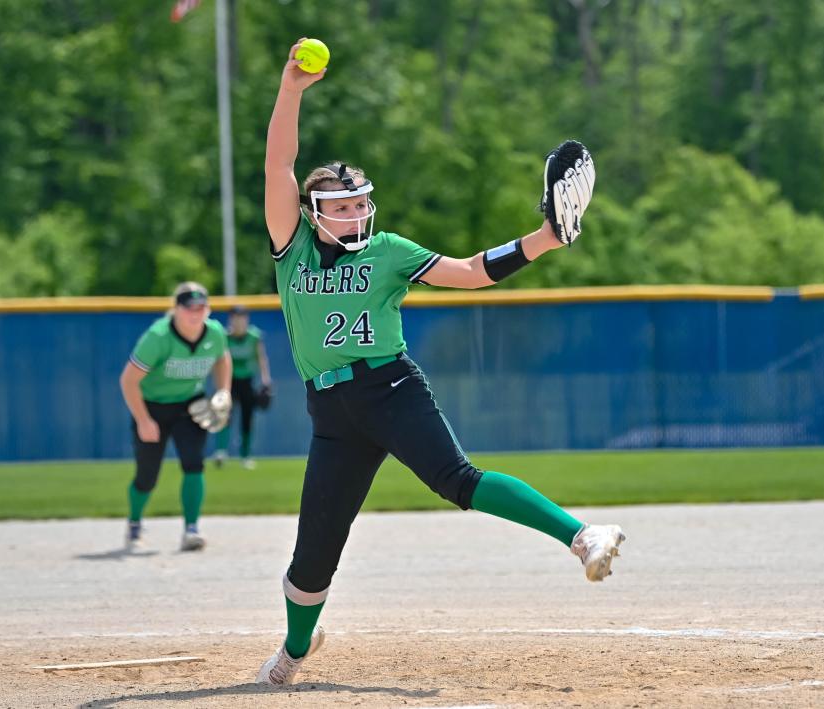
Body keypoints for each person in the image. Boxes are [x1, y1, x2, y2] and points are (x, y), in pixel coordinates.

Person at [255, 39, 625, 685]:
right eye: (341, 206)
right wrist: (292, 89)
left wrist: (543, 238)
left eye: (360, 201)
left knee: (457, 478)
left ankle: (582, 535)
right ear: (314, 215)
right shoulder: (293, 249)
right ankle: (295, 649)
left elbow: (472, 272)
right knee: (313, 555)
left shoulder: (390, 250)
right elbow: (278, 165)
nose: (355, 212)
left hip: (390, 386)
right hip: (332, 412)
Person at [118, 282, 232, 552]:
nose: (195, 313)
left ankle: (191, 529)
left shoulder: (214, 333)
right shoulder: (157, 337)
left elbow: (222, 358)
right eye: (189, 307)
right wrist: (144, 420)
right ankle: (134, 523)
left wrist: (224, 390)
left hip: (189, 405)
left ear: (208, 309)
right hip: (153, 407)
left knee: (194, 463)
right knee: (147, 475)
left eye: (201, 307)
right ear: (176, 310)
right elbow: (128, 381)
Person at [213, 305, 273, 470]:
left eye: (242, 317)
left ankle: (245, 456)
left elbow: (261, 358)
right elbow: (218, 361)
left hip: (247, 381)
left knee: (247, 418)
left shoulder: (254, 336)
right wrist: (220, 385)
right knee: (224, 415)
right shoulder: (224, 337)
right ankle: (221, 451)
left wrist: (266, 380)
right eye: (235, 317)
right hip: (229, 381)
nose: (239, 321)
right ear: (230, 319)